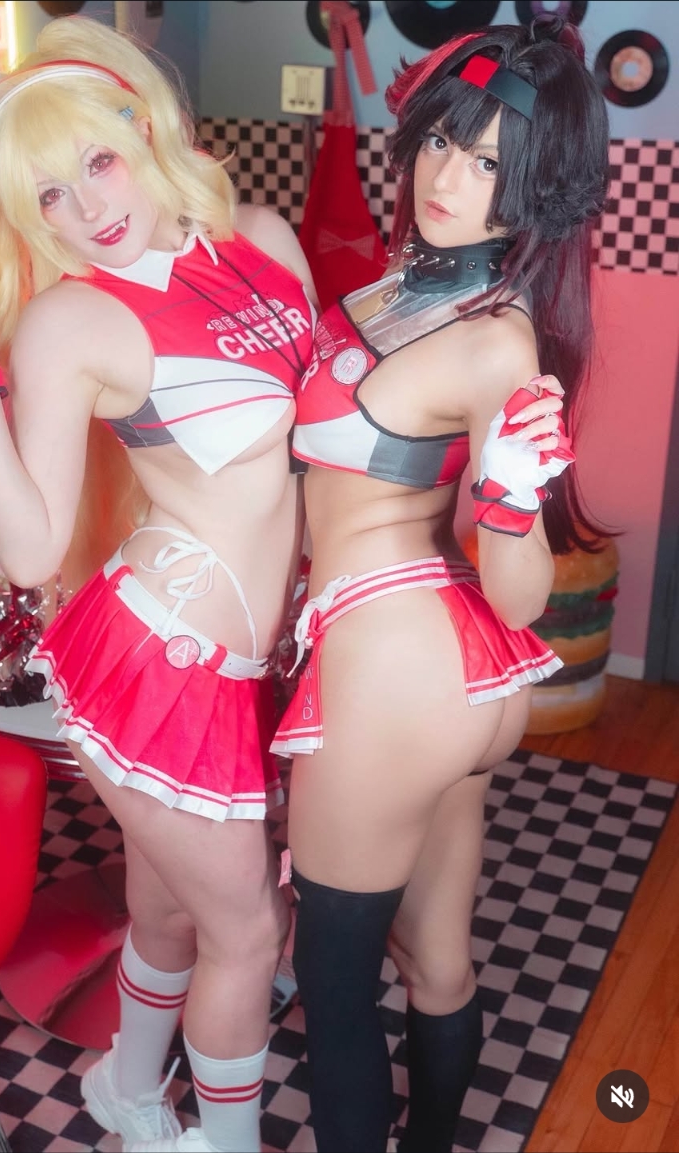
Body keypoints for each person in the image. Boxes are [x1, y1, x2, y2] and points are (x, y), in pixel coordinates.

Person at [0, 16, 319, 1153]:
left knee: (169, 908)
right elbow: (30, 552)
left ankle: (126, 1088)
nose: (87, 207)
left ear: (144, 129)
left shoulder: (262, 236)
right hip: (155, 662)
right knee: (250, 931)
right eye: (51, 196)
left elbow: (318, 438)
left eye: (98, 163)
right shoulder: (72, 319)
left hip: (238, 655)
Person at [271, 16, 609, 1153]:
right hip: (438, 673)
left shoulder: (497, 342)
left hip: (399, 669)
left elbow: (520, 594)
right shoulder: (405, 285)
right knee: (439, 958)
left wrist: (509, 501)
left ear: (537, 189)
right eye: (443, 143)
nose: (447, 180)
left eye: (489, 164)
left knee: (333, 985)